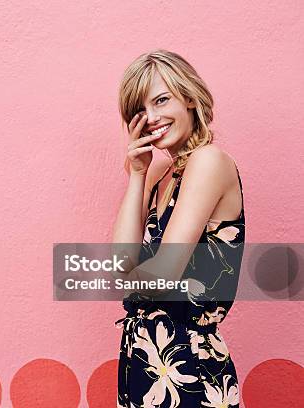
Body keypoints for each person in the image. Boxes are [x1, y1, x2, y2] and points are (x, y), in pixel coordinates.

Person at [111, 49, 245, 407]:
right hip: (142, 362)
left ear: (188, 97)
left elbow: (161, 275)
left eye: (161, 100)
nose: (152, 117)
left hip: (188, 366)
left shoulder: (208, 162)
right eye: (141, 109)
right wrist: (137, 174)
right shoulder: (156, 173)